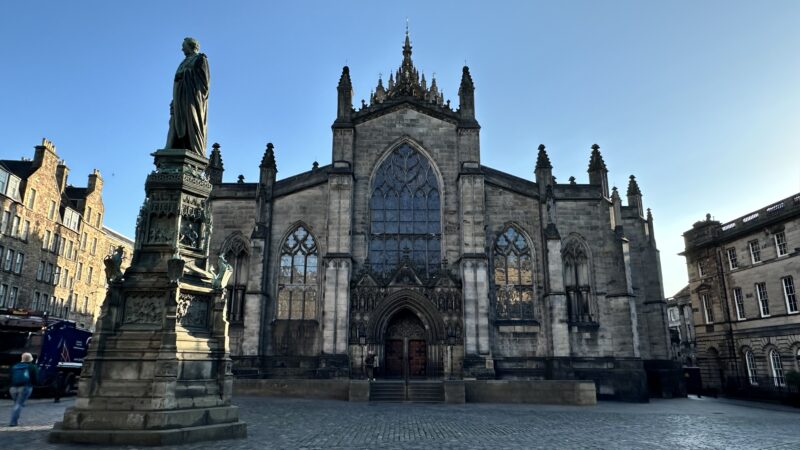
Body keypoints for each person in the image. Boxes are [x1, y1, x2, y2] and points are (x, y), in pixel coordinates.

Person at [165, 37, 210, 156]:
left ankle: (192, 148)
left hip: (192, 99)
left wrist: (185, 75)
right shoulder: (184, 61)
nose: (182, 49)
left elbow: (204, 83)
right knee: (174, 121)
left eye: (184, 46)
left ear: (191, 46)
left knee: (190, 122)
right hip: (179, 98)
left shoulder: (200, 59)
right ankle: (173, 146)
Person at [8, 353, 38, 427]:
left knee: (17, 404)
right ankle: (13, 422)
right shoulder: (32, 366)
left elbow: (10, 377)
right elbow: (35, 379)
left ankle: (15, 419)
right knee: (19, 404)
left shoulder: (14, 366)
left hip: (13, 388)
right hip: (24, 387)